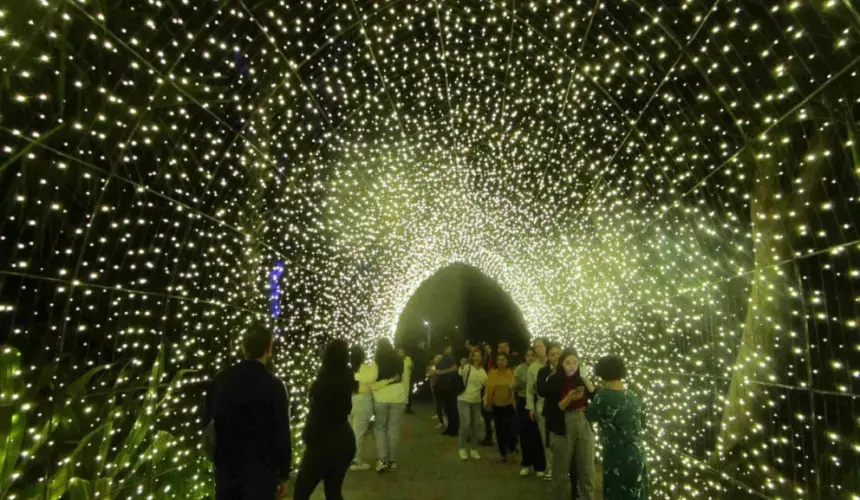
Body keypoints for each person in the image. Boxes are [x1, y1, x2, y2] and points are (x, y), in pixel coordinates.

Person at [202, 325, 292, 500]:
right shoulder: (274, 385)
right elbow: (281, 432)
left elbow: (207, 424)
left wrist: (216, 456)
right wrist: (283, 473)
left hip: (227, 469)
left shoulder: (220, 380)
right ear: (269, 348)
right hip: (261, 472)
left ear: (243, 347)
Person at [294, 339, 357, 500]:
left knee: (301, 492)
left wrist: (308, 436)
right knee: (333, 490)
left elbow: (317, 415)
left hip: (323, 442)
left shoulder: (324, 383)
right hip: (344, 440)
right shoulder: (347, 375)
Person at [586, 355, 648, 500]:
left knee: (616, 493)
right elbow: (642, 423)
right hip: (637, 452)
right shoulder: (634, 396)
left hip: (616, 454)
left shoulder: (602, 397)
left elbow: (590, 415)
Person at [541, 348, 596, 500]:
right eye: (568, 362)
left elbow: (596, 397)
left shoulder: (581, 379)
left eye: (575, 362)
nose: (572, 366)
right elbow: (552, 410)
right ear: (561, 364)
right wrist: (569, 399)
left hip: (583, 420)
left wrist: (586, 380)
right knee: (560, 470)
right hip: (562, 423)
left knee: (587, 468)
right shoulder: (554, 381)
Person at [370, 339, 407, 472]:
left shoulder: (376, 361)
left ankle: (382, 460)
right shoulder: (399, 360)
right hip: (398, 396)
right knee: (393, 429)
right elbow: (402, 376)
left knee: (380, 428)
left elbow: (373, 379)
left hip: (381, 396)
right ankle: (392, 461)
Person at [513, 348, 545, 476]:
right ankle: (526, 463)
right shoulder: (521, 369)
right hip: (523, 402)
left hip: (538, 402)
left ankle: (540, 466)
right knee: (525, 434)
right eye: (528, 355)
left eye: (533, 355)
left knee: (538, 435)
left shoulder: (541, 368)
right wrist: (526, 385)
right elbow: (513, 386)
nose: (530, 357)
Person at [484, 352, 518, 462]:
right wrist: (486, 401)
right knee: (499, 430)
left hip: (509, 406)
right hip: (496, 406)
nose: (501, 362)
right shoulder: (492, 373)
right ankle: (503, 452)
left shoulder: (511, 373)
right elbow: (487, 389)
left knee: (510, 429)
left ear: (507, 361)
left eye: (503, 360)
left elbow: (515, 388)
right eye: (498, 360)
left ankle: (512, 448)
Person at [349, 345, 378, 471]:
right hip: (363, 400)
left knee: (351, 432)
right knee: (358, 433)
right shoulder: (364, 367)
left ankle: (348, 458)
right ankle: (355, 460)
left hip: (351, 399)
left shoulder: (349, 368)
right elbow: (372, 381)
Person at [525, 338, 551, 479]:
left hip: (557, 405)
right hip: (541, 405)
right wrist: (531, 408)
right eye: (536, 347)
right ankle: (550, 467)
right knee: (545, 438)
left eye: (540, 346)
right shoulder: (533, 368)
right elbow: (530, 390)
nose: (538, 349)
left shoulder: (555, 363)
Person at [457, 347, 489, 460]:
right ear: (471, 357)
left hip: (476, 401)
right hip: (464, 399)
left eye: (478, 356)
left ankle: (474, 449)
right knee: (466, 423)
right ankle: (462, 448)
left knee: (475, 425)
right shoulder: (468, 367)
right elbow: (460, 373)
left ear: (481, 358)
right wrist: (461, 365)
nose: (476, 358)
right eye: (474, 356)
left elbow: (487, 385)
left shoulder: (483, 371)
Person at [431, 345, 460, 436]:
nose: (448, 350)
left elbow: (455, 368)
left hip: (450, 387)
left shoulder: (451, 358)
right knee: (448, 409)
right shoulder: (443, 359)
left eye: (450, 348)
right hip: (444, 387)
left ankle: (454, 429)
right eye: (447, 348)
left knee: (452, 409)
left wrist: (441, 372)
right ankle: (450, 428)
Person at [480, 342, 495, 446]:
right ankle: (488, 436)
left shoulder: (493, 359)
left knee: (488, 413)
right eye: (485, 348)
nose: (487, 350)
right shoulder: (485, 360)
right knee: (486, 413)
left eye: (488, 348)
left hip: (491, 387)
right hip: (485, 387)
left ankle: (489, 436)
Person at [427, 354, 446, 428]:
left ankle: (442, 420)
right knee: (439, 404)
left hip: (439, 388)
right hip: (436, 387)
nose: (434, 359)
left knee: (441, 404)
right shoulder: (435, 366)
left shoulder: (439, 367)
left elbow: (430, 374)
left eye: (436, 358)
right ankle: (441, 419)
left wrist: (430, 373)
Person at [398, 347, 415, 414]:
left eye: (402, 351)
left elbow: (412, 367)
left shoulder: (408, 358)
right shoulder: (396, 360)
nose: (401, 353)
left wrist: (410, 371)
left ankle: (408, 408)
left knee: (408, 393)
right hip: (399, 380)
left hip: (407, 379)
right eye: (399, 352)